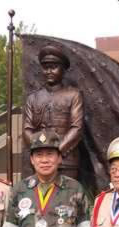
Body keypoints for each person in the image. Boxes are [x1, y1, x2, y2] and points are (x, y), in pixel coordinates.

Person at [23, 45, 84, 180]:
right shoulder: (33, 98)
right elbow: (27, 129)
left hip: (66, 161)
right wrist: (39, 152)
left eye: (54, 67)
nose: (49, 71)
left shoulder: (73, 95)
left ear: (63, 69)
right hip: (40, 163)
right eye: (46, 67)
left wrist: (57, 152)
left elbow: (77, 128)